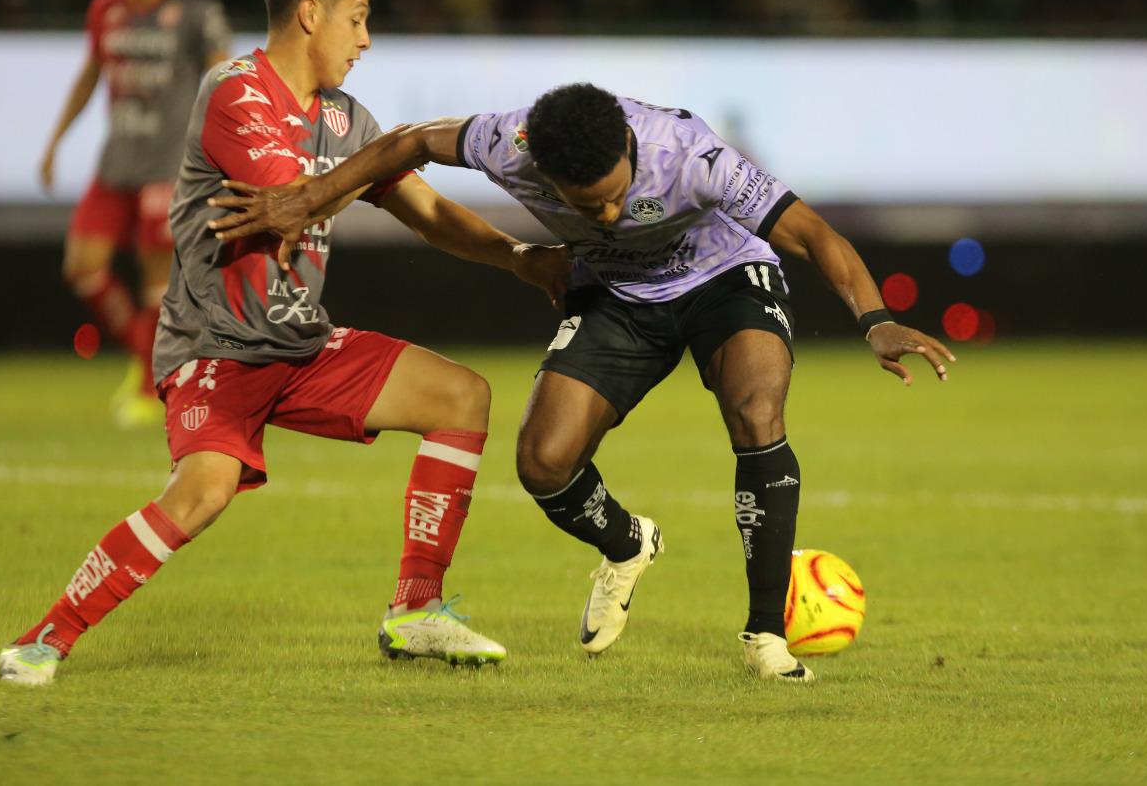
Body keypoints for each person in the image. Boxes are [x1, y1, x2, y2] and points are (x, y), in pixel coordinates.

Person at [206, 83, 955, 683]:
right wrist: (308, 198)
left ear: (631, 148)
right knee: (542, 462)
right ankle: (628, 543)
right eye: (583, 203)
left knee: (758, 409)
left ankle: (766, 634)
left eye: (613, 195)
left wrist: (873, 318)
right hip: (618, 294)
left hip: (724, 280)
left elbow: (813, 234)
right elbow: (407, 142)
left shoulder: (689, 153)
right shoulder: (509, 142)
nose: (605, 211)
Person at [0, 0, 570, 686]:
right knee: (203, 493)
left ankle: (416, 610)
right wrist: (387, 154)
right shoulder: (235, 90)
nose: (366, 40)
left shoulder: (345, 119)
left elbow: (425, 210)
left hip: (298, 343)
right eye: (357, 20)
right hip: (216, 347)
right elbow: (288, 198)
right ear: (310, 13)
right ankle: (46, 636)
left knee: (462, 396)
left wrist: (521, 259)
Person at [39, 0, 232, 428]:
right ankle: (148, 357)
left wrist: (222, 148)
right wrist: (55, 141)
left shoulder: (195, 10)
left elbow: (223, 77)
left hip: (168, 167)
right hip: (116, 163)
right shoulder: (106, 6)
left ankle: (150, 388)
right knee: (83, 267)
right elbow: (91, 73)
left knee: (155, 281)